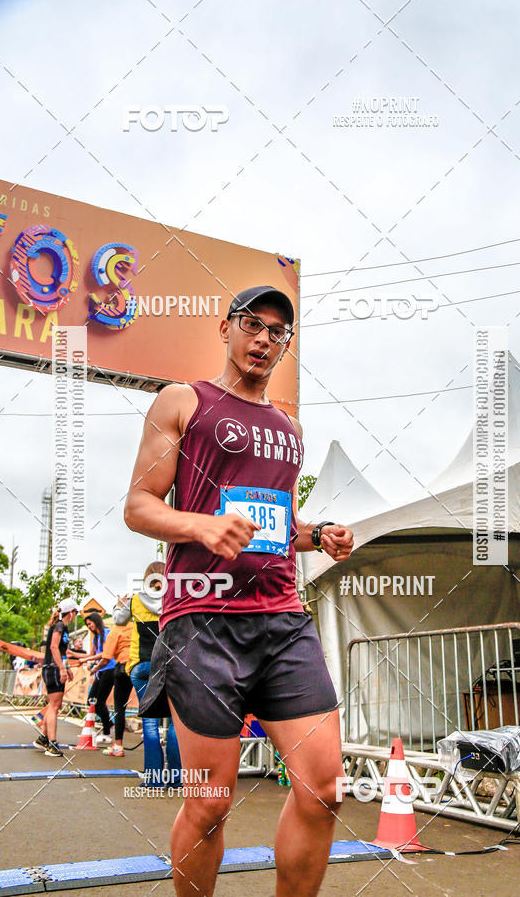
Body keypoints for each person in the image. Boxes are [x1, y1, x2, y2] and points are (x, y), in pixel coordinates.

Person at [124, 285, 354, 897]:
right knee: (209, 803)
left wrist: (319, 534)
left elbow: (271, 527)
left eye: (279, 333)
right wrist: (201, 524)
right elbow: (139, 506)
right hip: (201, 620)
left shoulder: (289, 427)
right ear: (226, 327)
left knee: (323, 788)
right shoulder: (183, 401)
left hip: (282, 620)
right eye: (253, 324)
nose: (264, 339)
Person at [118, 563, 181, 785]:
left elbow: (118, 620)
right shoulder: (175, 598)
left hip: (140, 665)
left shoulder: (135, 600)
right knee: (175, 721)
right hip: (169, 665)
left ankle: (153, 779)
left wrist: (120, 606)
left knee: (150, 722)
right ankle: (176, 779)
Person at [34, 598, 79, 756]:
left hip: (54, 667)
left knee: (55, 705)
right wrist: (61, 669)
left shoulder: (63, 627)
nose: (76, 616)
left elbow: (61, 651)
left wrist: (66, 667)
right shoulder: (59, 625)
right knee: (54, 706)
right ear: (71, 613)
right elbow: (53, 647)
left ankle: (44, 738)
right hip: (52, 668)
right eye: (76, 612)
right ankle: (52, 743)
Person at [91, 609, 133, 756]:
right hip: (140, 666)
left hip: (122, 669)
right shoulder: (135, 627)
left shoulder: (114, 632)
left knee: (119, 707)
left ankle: (118, 746)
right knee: (147, 707)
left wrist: (95, 668)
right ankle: (153, 745)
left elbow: (106, 658)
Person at [77, 611, 116, 744]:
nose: (89, 626)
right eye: (87, 625)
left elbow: (105, 654)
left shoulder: (106, 633)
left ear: (96, 621)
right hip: (100, 670)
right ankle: (109, 724)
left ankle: (108, 729)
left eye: (90, 623)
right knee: (91, 700)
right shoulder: (95, 637)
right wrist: (81, 658)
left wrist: (91, 662)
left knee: (99, 701)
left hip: (109, 669)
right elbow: (92, 654)